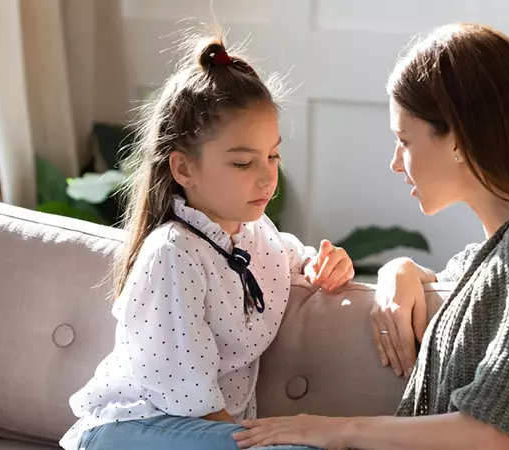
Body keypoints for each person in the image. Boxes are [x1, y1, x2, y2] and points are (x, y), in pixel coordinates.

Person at [233, 22, 509, 450]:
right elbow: (460, 283)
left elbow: (497, 434)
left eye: (404, 140)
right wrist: (399, 269)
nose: (395, 163)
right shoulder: (491, 256)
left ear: (459, 140)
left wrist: (333, 428)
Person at [58, 32, 354, 450]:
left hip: (198, 432)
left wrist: (325, 263)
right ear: (183, 168)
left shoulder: (256, 235)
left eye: (273, 155)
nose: (268, 177)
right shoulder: (172, 254)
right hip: (128, 431)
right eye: (242, 162)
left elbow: (295, 257)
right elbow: (188, 399)